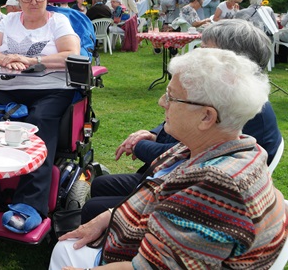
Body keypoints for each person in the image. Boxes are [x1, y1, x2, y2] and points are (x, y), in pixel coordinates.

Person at [50, 48, 287, 270]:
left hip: (138, 256)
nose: (162, 102)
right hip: (140, 242)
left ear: (206, 117)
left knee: (64, 252)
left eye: (172, 97)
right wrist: (108, 216)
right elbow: (157, 198)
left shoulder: (218, 187)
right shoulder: (222, 146)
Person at [82, 19, 283, 222]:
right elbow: (180, 138)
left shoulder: (240, 111)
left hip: (183, 189)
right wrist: (152, 133)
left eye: (205, 52)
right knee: (100, 186)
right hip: (172, 176)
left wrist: (138, 145)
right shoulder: (223, 97)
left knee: (93, 208)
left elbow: (184, 156)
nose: (195, 55)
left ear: (231, 62)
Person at [0, 0, 80, 226]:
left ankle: (29, 202)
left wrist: (32, 60)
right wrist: (5, 58)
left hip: (50, 89)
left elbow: (71, 54)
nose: (33, 2)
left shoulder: (58, 22)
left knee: (40, 121)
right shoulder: (9, 21)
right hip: (9, 88)